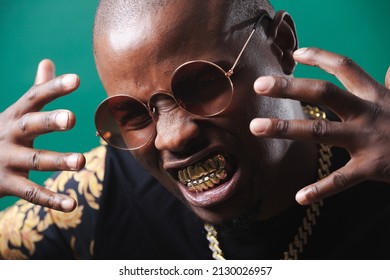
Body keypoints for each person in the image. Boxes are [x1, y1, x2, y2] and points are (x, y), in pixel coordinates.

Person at [0, 0, 390, 260]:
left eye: (203, 84)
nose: (172, 137)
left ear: (282, 46)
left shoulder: (381, 167)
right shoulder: (95, 196)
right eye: (135, 115)